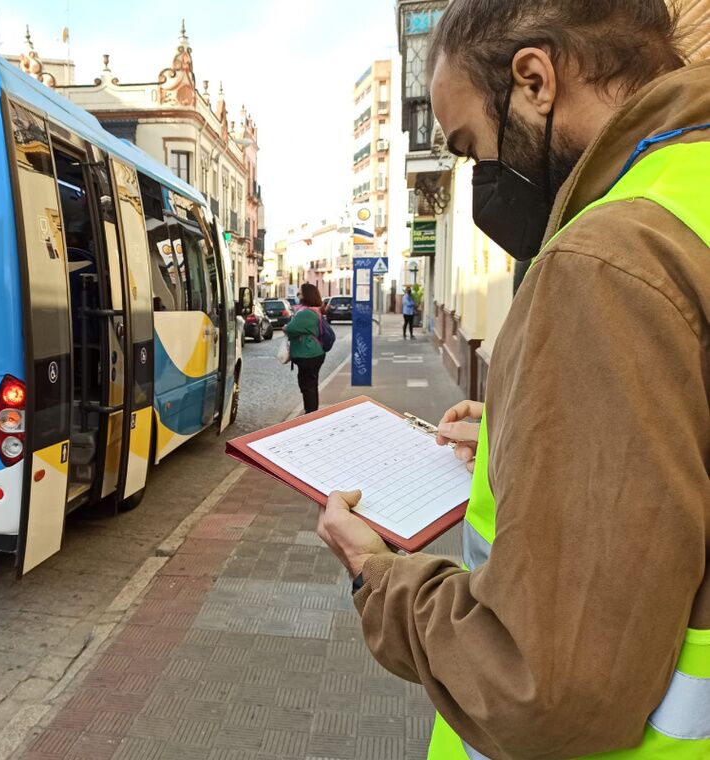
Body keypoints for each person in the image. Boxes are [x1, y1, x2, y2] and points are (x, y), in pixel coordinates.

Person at [313, 2, 710, 757]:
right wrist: (517, 430)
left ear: (534, 80)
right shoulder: (691, 195)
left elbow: (543, 686)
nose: (478, 178)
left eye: (471, 149)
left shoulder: (605, 261)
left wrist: (379, 577)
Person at [284, 283, 327, 414]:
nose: (298, 295)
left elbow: (290, 328)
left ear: (306, 295)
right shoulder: (313, 310)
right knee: (311, 385)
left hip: (309, 355)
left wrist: (286, 328)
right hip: (314, 353)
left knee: (307, 386)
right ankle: (311, 412)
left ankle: (311, 413)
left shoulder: (306, 313)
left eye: (300, 293)